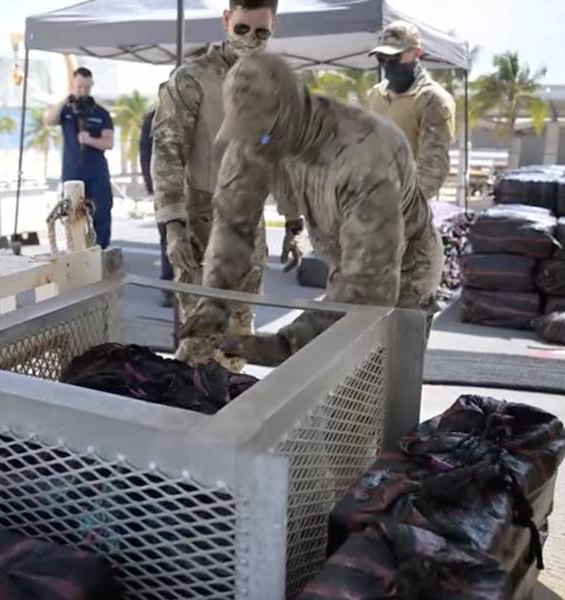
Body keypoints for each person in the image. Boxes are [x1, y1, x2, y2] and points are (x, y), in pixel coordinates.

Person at [180, 52, 444, 367]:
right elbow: (232, 228)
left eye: (263, 135)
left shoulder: (364, 153)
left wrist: (284, 344)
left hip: (402, 271)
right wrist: (214, 303)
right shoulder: (254, 139)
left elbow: (368, 291)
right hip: (346, 260)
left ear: (293, 113)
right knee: (323, 387)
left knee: (368, 383)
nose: (254, 149)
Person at [153, 0, 299, 371]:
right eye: (243, 29)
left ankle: (227, 416)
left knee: (238, 340)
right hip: (201, 222)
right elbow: (168, 150)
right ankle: (184, 420)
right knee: (200, 342)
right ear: (226, 20)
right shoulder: (191, 78)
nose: (252, 40)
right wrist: (173, 224)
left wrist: (293, 221)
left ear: (274, 28)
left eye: (262, 32)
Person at [367, 20, 456, 205]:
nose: (387, 64)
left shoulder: (433, 100)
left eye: (394, 57)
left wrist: (403, 209)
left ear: (416, 53)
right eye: (381, 58)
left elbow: (433, 167)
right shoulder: (377, 94)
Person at [44, 67, 116, 248]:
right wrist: (65, 100)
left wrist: (90, 140)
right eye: (79, 87)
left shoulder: (101, 113)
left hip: (96, 172)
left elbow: (108, 142)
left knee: (102, 212)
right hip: (72, 172)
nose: (83, 91)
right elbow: (48, 120)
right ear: (73, 86)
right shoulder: (66, 111)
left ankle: (100, 249)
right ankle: (76, 250)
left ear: (91, 86)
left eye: (86, 87)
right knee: (74, 215)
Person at [139, 105, 174, 307]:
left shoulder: (199, 108)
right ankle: (169, 289)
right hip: (165, 189)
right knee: (168, 239)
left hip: (193, 189)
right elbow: (145, 150)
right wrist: (151, 186)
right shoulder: (153, 115)